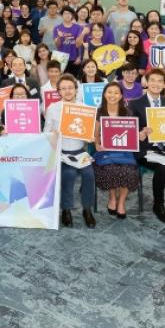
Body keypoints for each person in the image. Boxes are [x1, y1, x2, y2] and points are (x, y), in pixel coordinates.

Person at [132, 68, 165, 224]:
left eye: (160, 81)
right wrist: (140, 133)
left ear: (164, 85)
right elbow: (131, 130)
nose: (156, 84)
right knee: (162, 170)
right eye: (153, 80)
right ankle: (158, 205)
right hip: (145, 149)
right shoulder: (136, 104)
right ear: (147, 82)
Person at [44, 74, 96, 228]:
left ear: (76, 89)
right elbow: (46, 132)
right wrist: (52, 133)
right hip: (62, 154)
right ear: (58, 91)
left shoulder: (84, 109)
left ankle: (87, 209)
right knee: (68, 174)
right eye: (63, 88)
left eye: (70, 88)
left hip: (80, 152)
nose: (67, 91)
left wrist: (90, 137)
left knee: (89, 175)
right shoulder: (53, 109)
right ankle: (66, 210)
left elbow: (88, 135)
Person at [93, 82, 141, 219]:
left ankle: (121, 202)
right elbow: (95, 134)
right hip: (105, 151)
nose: (112, 95)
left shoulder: (127, 112)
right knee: (110, 169)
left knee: (129, 171)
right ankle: (112, 198)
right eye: (109, 92)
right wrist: (96, 144)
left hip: (124, 152)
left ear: (121, 96)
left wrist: (140, 134)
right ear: (104, 94)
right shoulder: (99, 112)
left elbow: (132, 133)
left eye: (116, 93)